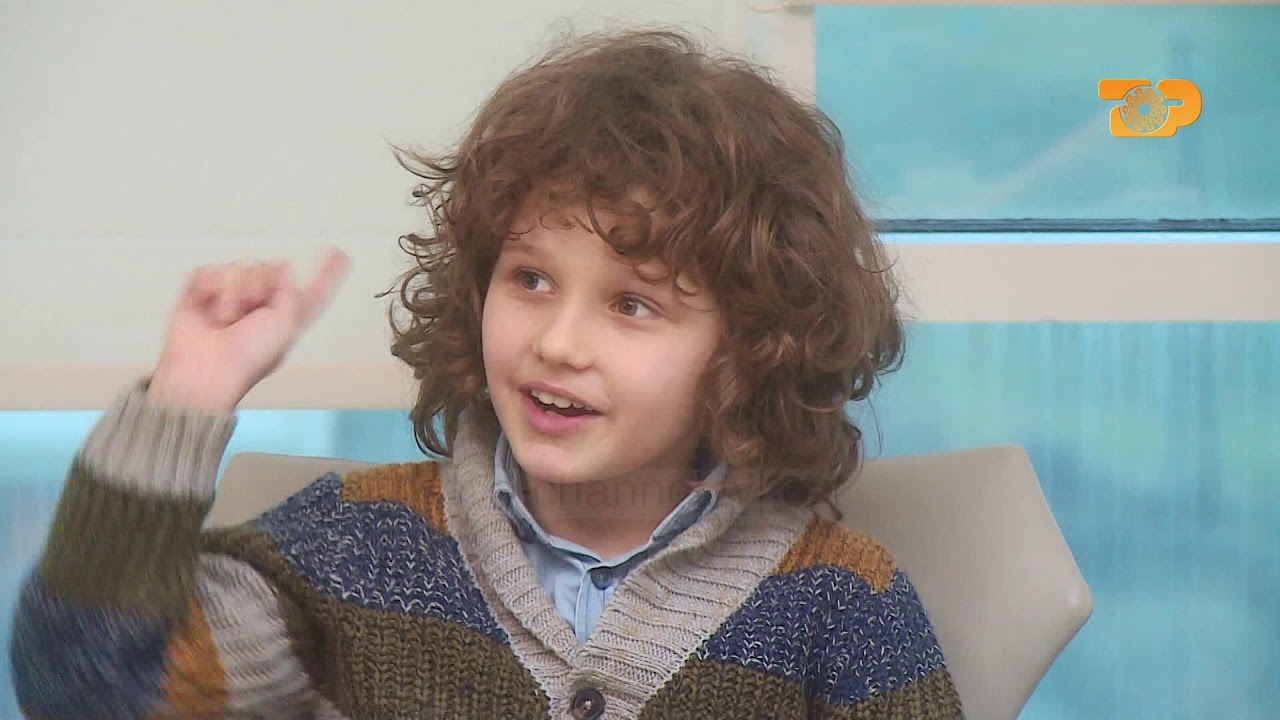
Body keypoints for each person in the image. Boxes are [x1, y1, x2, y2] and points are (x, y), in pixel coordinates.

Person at [8, 28, 964, 719]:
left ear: (755, 347)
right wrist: (183, 404)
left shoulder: (843, 603)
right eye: (530, 279)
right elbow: (88, 688)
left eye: (632, 305)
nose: (558, 341)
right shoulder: (353, 551)